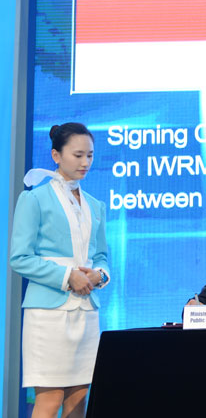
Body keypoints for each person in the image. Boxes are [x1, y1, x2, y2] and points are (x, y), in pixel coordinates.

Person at [10, 123, 110, 418]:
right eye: (78, 155)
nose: (85, 163)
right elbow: (20, 258)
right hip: (48, 315)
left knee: (79, 399)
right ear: (56, 155)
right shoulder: (34, 198)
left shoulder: (96, 205)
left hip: (86, 311)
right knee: (50, 400)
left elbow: (102, 256)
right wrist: (69, 277)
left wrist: (99, 275)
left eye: (90, 155)